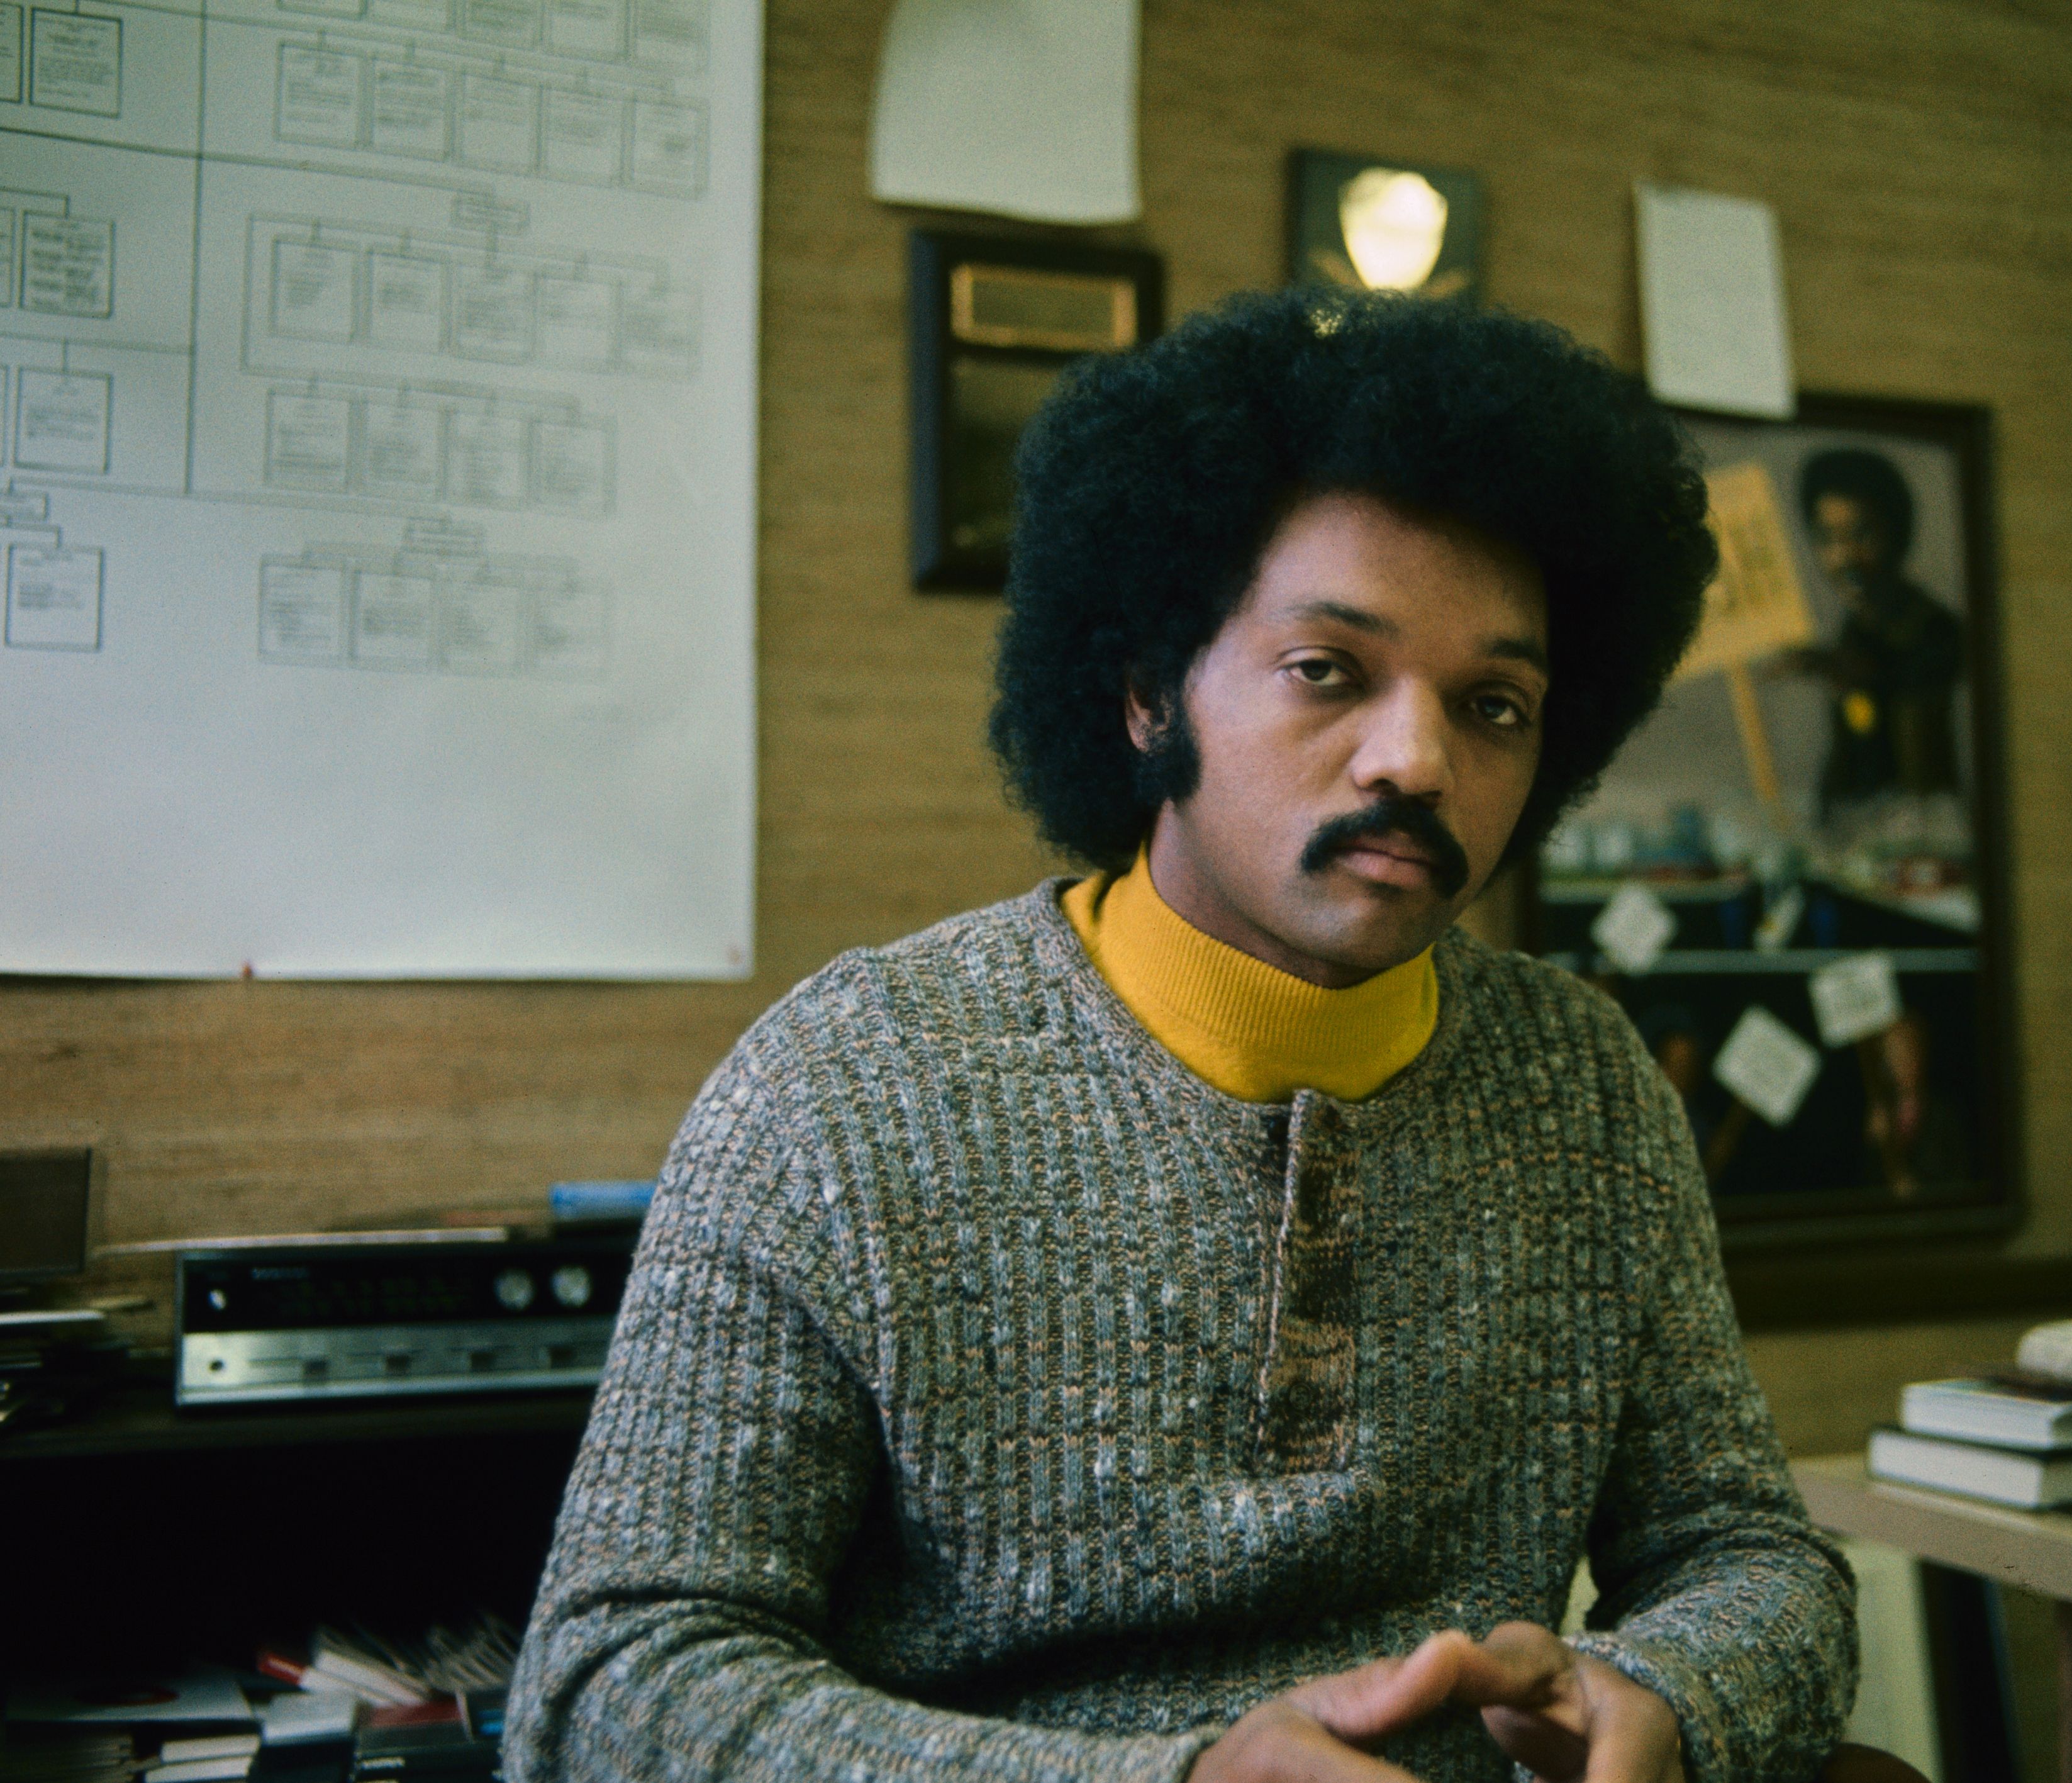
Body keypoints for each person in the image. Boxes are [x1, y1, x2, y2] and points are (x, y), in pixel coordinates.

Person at [505, 289, 1861, 1783]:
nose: (1418, 757)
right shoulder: (842, 1088)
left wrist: (1652, 1697)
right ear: (1150, 690)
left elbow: (1752, 1555)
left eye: (1493, 702)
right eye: (1326, 669)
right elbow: (612, 1681)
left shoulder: (1585, 1085)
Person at [1788, 449, 1963, 815]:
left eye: (1861, 534)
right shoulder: (1857, 629)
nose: (1844, 557)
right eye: (1828, 539)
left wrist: (1852, 674)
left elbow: (1924, 768)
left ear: (1897, 533)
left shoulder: (1935, 630)